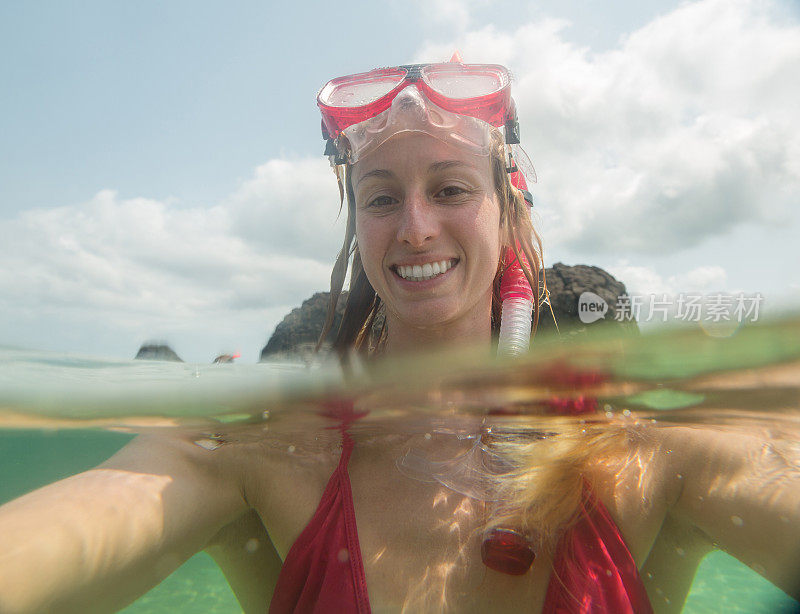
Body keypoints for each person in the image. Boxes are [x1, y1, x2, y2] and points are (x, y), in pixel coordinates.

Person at [0, 59, 798, 614]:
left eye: (449, 188)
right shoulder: (269, 456)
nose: (415, 229)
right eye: (381, 199)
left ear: (507, 207)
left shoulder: (644, 452)